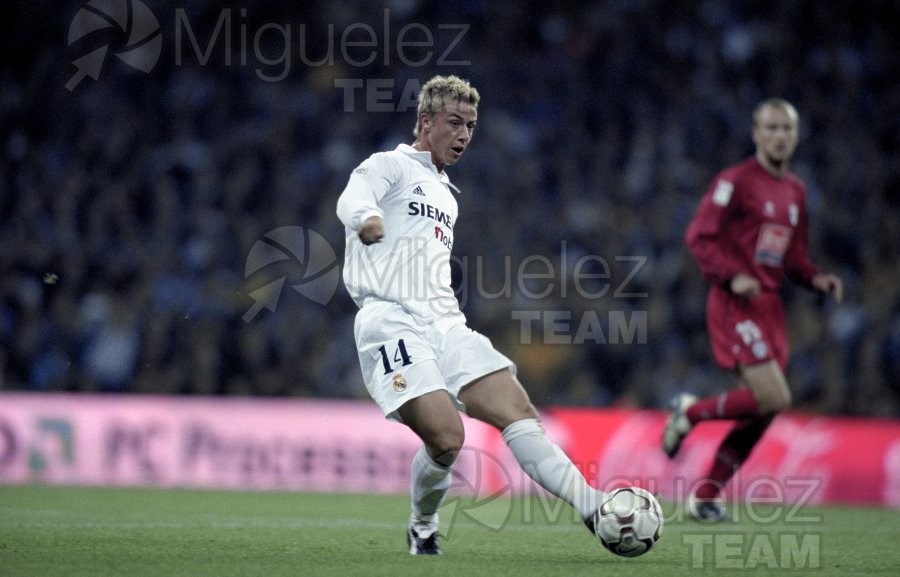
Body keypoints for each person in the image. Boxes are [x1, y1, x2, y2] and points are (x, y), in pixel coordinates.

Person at [336, 75, 603, 555]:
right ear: (425, 122)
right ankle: (422, 523)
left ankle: (596, 509)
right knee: (446, 439)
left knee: (519, 410)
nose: (463, 135)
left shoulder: (446, 195)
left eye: (471, 126)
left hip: (445, 324)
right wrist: (366, 219)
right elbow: (353, 196)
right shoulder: (390, 165)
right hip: (390, 320)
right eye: (454, 123)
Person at [664, 98, 843, 521]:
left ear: (796, 136)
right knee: (775, 395)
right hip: (734, 302)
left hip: (769, 307)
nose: (780, 135)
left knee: (765, 411)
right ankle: (688, 412)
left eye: (787, 129)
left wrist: (815, 278)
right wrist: (731, 275)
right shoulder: (735, 182)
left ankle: (706, 497)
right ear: (756, 133)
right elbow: (699, 237)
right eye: (772, 128)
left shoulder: (796, 191)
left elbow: (792, 256)